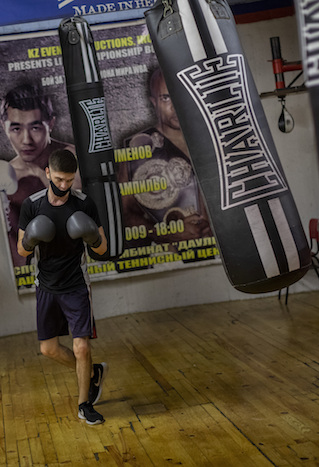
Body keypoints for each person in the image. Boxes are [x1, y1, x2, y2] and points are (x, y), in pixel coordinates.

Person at [17, 149, 109, 425]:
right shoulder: (31, 205)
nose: (64, 185)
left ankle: (84, 405)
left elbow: (102, 248)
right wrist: (32, 238)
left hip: (76, 284)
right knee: (48, 349)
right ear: (47, 173)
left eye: (69, 180)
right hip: (46, 285)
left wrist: (91, 236)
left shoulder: (84, 204)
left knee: (81, 347)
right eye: (59, 179)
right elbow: (22, 252)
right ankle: (92, 373)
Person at [118, 68, 212, 248]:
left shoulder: (215, 138)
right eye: (166, 98)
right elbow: (125, 213)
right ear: (154, 102)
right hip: (177, 257)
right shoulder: (139, 147)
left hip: (229, 252)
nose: (175, 105)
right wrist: (165, 233)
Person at [0, 83, 80, 268]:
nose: (26, 140)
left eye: (35, 128)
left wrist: (38, 174)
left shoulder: (70, 157)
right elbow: (15, 254)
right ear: (4, 126)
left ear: (50, 123)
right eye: (16, 129)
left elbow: (78, 213)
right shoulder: (8, 177)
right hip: (39, 271)